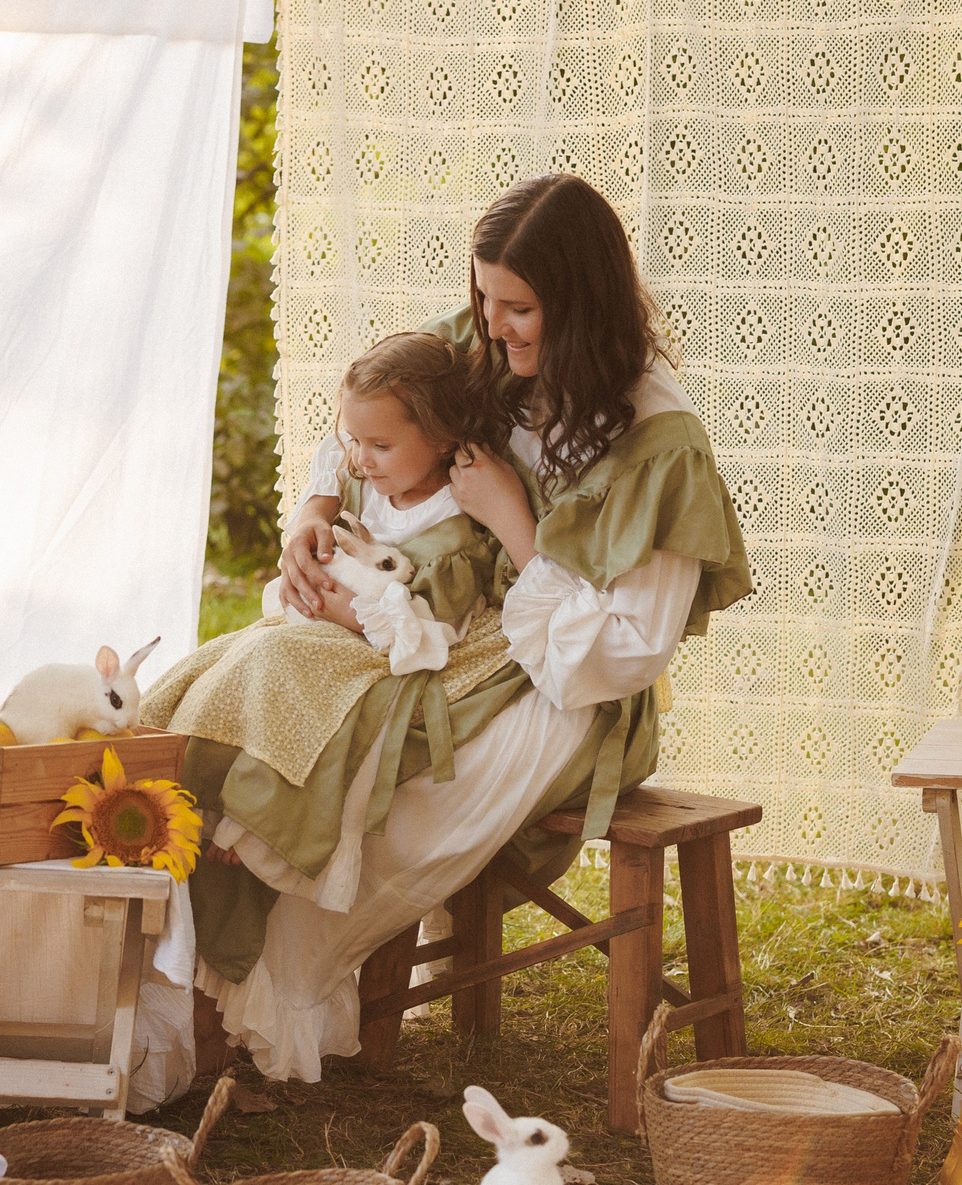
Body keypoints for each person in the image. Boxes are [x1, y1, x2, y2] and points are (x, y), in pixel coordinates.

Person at [195, 174, 754, 1081]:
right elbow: (368, 412)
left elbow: (617, 657)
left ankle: (263, 999)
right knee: (290, 714)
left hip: (572, 691)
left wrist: (514, 529)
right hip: (451, 630)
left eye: (519, 308)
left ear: (581, 305)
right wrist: (315, 505)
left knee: (399, 804)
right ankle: (210, 973)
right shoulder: (486, 349)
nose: (492, 326)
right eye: (483, 298)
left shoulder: (660, 444)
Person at [143, 332, 518, 936]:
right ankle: (166, 785)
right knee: (217, 660)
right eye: (354, 440)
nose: (362, 460)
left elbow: (427, 635)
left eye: (380, 445)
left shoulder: (453, 528)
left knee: (280, 670)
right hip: (317, 631)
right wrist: (312, 551)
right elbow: (333, 487)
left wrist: (345, 612)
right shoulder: (368, 482)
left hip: (370, 656)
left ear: (443, 438)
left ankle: (248, 822)